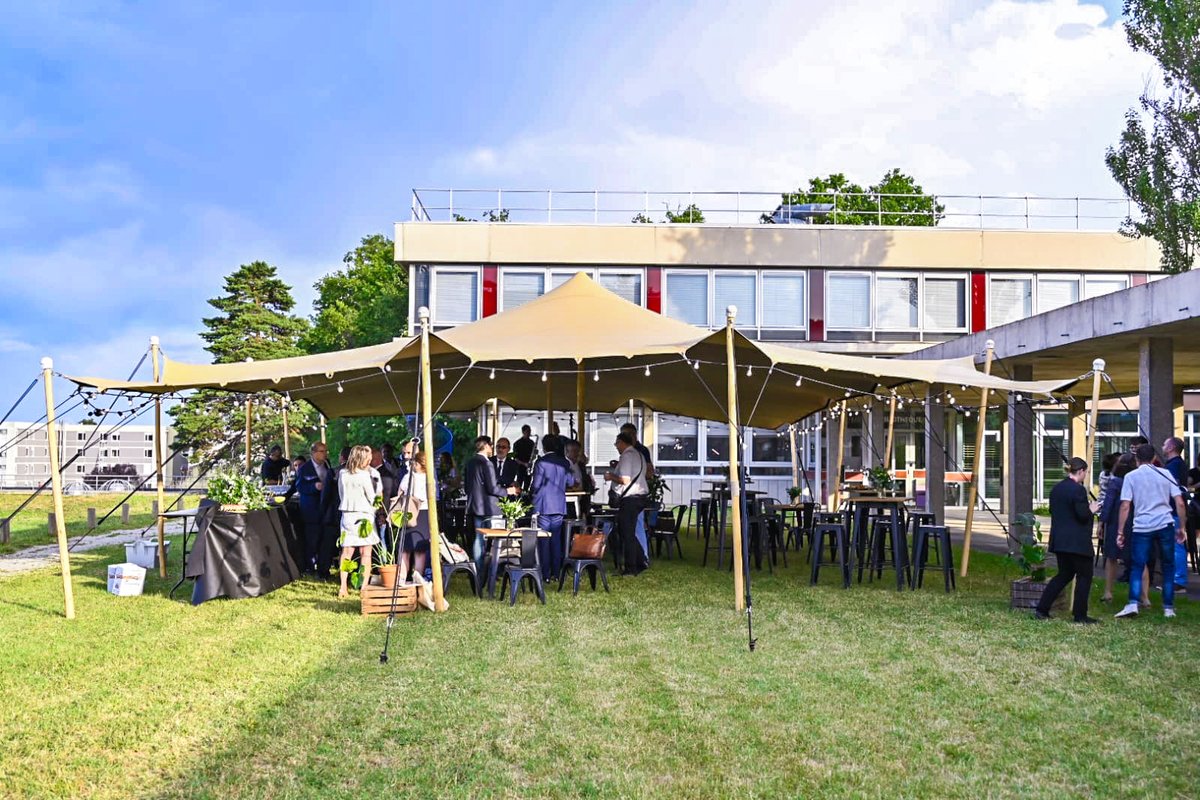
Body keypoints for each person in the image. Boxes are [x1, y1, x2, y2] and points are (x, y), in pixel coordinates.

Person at [1115, 443, 1188, 619]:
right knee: (1168, 566)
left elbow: (1125, 505)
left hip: (1142, 525)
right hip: (1165, 523)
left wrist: (1120, 531)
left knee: (1137, 565)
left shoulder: (1131, 476)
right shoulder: (1166, 474)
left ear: (1136, 459)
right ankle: (1168, 607)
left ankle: (1133, 603)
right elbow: (1179, 502)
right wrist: (1182, 527)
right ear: (1154, 458)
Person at [1034, 458, 1102, 623]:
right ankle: (1080, 615)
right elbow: (1082, 515)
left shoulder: (1057, 488)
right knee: (1084, 576)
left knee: (1063, 575)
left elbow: (1053, 510)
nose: (1086, 475)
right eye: (1085, 472)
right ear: (1080, 471)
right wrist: (1091, 509)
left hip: (1060, 541)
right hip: (1077, 542)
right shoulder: (1078, 490)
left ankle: (1042, 609)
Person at [464, 436, 519, 573]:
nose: (494, 449)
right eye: (492, 445)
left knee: (478, 538)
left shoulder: (470, 462)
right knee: (496, 539)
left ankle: (478, 569)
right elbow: (493, 488)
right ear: (487, 446)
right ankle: (492, 569)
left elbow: (466, 487)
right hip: (489, 507)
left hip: (474, 505)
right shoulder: (487, 463)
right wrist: (508, 491)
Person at [336, 445, 381, 599]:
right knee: (365, 553)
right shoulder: (363, 476)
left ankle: (343, 586)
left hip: (347, 515)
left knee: (346, 553)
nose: (370, 460)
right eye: (368, 458)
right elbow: (372, 498)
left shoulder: (342, 474)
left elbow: (341, 495)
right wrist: (379, 498)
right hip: (364, 516)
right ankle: (363, 587)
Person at [531, 434, 577, 581]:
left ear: (544, 447)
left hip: (544, 506)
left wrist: (531, 490)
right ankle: (556, 573)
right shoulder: (564, 462)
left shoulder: (541, 462)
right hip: (559, 505)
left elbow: (536, 485)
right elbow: (571, 482)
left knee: (544, 541)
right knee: (556, 540)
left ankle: (545, 574)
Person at [606, 431, 650, 575]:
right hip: (641, 496)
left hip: (631, 498)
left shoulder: (626, 456)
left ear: (621, 442)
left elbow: (625, 480)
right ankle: (641, 560)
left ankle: (631, 567)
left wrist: (610, 476)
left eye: (616, 443)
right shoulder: (640, 455)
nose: (616, 447)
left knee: (626, 533)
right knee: (628, 531)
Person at [1098, 453, 1135, 603]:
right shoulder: (1135, 481)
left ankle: (1108, 591)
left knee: (1112, 557)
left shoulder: (1115, 482)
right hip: (1134, 521)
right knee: (1138, 560)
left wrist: (1101, 522)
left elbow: (1108, 502)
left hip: (1115, 521)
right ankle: (1142, 596)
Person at [292, 443, 333, 576]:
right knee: (311, 540)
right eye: (322, 451)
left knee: (324, 540)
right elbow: (299, 486)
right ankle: (309, 567)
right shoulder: (305, 468)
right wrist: (314, 487)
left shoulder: (327, 465)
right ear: (313, 453)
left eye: (326, 451)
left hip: (325, 510)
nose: (325, 454)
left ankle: (323, 568)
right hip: (310, 510)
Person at [394, 451, 432, 585]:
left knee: (405, 549)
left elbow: (400, 492)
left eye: (415, 462)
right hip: (425, 512)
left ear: (419, 464)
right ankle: (419, 579)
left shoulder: (409, 477)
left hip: (410, 512)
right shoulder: (430, 478)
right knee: (420, 550)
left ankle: (402, 578)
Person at [1162, 436, 1189, 595]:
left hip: (1173, 511)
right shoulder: (1178, 464)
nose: (1162, 446)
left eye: (1165, 444)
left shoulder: (1174, 466)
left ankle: (1178, 581)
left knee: (1176, 546)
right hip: (1174, 510)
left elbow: (1171, 488)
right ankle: (1175, 579)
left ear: (1171, 447)